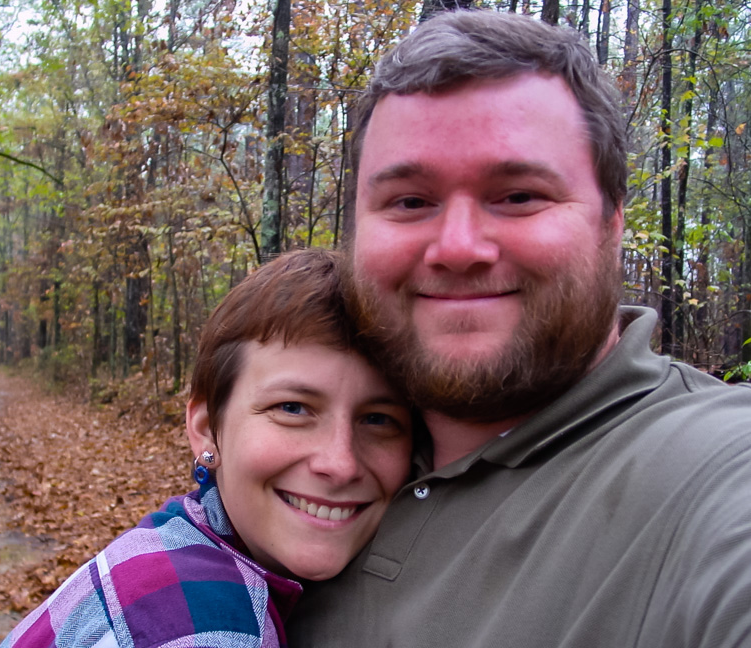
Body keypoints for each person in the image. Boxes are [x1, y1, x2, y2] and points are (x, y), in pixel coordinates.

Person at [286, 10, 751, 648]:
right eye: (411, 202)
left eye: (519, 195)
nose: (456, 247)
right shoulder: (313, 466)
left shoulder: (714, 470)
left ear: (612, 224)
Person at [0, 248, 414, 648]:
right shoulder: (207, 626)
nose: (340, 464)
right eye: (292, 408)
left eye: (378, 419)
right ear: (205, 429)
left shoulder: (174, 538)